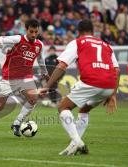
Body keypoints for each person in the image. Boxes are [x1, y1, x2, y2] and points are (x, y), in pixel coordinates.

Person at [39, 19, 120, 155]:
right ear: (93, 32)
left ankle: (77, 142)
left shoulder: (78, 42)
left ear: (79, 32)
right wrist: (112, 94)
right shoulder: (106, 45)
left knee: (63, 107)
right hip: (109, 85)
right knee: (84, 110)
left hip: (91, 81)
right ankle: (74, 145)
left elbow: (62, 66)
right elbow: (117, 71)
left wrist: (47, 86)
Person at [0, 19, 48, 137]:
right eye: (31, 31)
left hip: (26, 78)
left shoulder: (39, 45)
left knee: (33, 99)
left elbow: (41, 60)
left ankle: (17, 123)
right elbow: (4, 39)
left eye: (36, 32)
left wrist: (44, 72)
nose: (33, 35)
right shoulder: (18, 39)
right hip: (9, 78)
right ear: (26, 30)